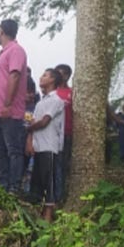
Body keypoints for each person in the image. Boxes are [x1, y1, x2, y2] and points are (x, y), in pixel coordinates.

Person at [0, 19, 29, 194]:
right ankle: (3, 185)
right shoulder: (2, 53)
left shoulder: (16, 50)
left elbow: (14, 76)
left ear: (1, 31)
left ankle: (14, 187)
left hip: (9, 112)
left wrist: (7, 104)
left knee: (13, 150)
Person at [25, 69, 65, 222]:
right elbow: (34, 122)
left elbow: (43, 122)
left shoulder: (56, 101)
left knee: (49, 181)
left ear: (53, 80)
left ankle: (48, 216)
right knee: (37, 181)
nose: (41, 77)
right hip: (38, 147)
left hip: (50, 147)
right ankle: (38, 214)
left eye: (45, 75)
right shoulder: (40, 102)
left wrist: (29, 128)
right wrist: (29, 141)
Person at [53, 64, 73, 202]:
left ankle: (60, 196)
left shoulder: (72, 92)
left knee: (63, 165)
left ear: (66, 75)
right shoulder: (52, 92)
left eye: (60, 73)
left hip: (67, 133)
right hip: (52, 134)